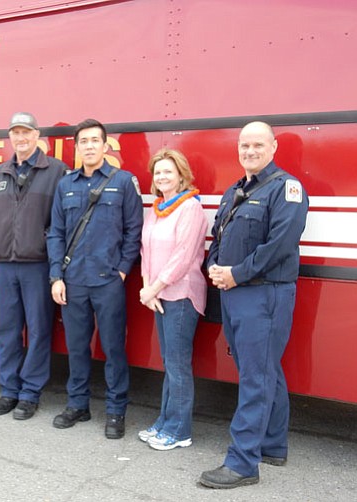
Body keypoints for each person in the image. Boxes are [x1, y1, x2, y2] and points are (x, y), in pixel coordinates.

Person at [199, 121, 309, 489]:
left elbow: (279, 245)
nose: (250, 151)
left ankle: (243, 462)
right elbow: (220, 234)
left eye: (258, 145)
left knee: (255, 377)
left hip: (264, 293)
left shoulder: (286, 189)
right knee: (263, 369)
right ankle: (273, 444)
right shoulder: (235, 191)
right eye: (244, 145)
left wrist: (236, 274)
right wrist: (215, 267)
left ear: (273, 147)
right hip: (235, 292)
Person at [47, 118, 143, 439]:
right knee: (77, 348)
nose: (88, 146)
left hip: (107, 281)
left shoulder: (124, 182)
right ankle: (78, 404)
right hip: (73, 281)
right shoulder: (66, 185)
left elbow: (134, 231)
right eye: (83, 141)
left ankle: (116, 411)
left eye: (94, 141)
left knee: (114, 348)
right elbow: (56, 233)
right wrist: (56, 276)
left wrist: (122, 270)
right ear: (77, 148)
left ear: (105, 146)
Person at [0, 112, 68, 420]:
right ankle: (9, 390)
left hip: (37, 265)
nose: (21, 138)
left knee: (39, 330)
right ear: (10, 137)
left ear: (37, 135)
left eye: (26, 132)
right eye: (15, 133)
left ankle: (30, 393)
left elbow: (63, 219)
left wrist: (43, 243)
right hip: (4, 266)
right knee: (7, 330)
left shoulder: (56, 171)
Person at [137, 148, 208, 450]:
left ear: (181, 175)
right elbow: (145, 250)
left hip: (180, 295)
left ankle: (180, 431)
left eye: (168, 171)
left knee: (178, 365)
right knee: (169, 363)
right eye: (158, 172)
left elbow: (183, 257)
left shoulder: (190, 208)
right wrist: (146, 287)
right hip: (158, 294)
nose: (162, 176)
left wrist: (152, 289)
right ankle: (165, 421)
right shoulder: (157, 208)